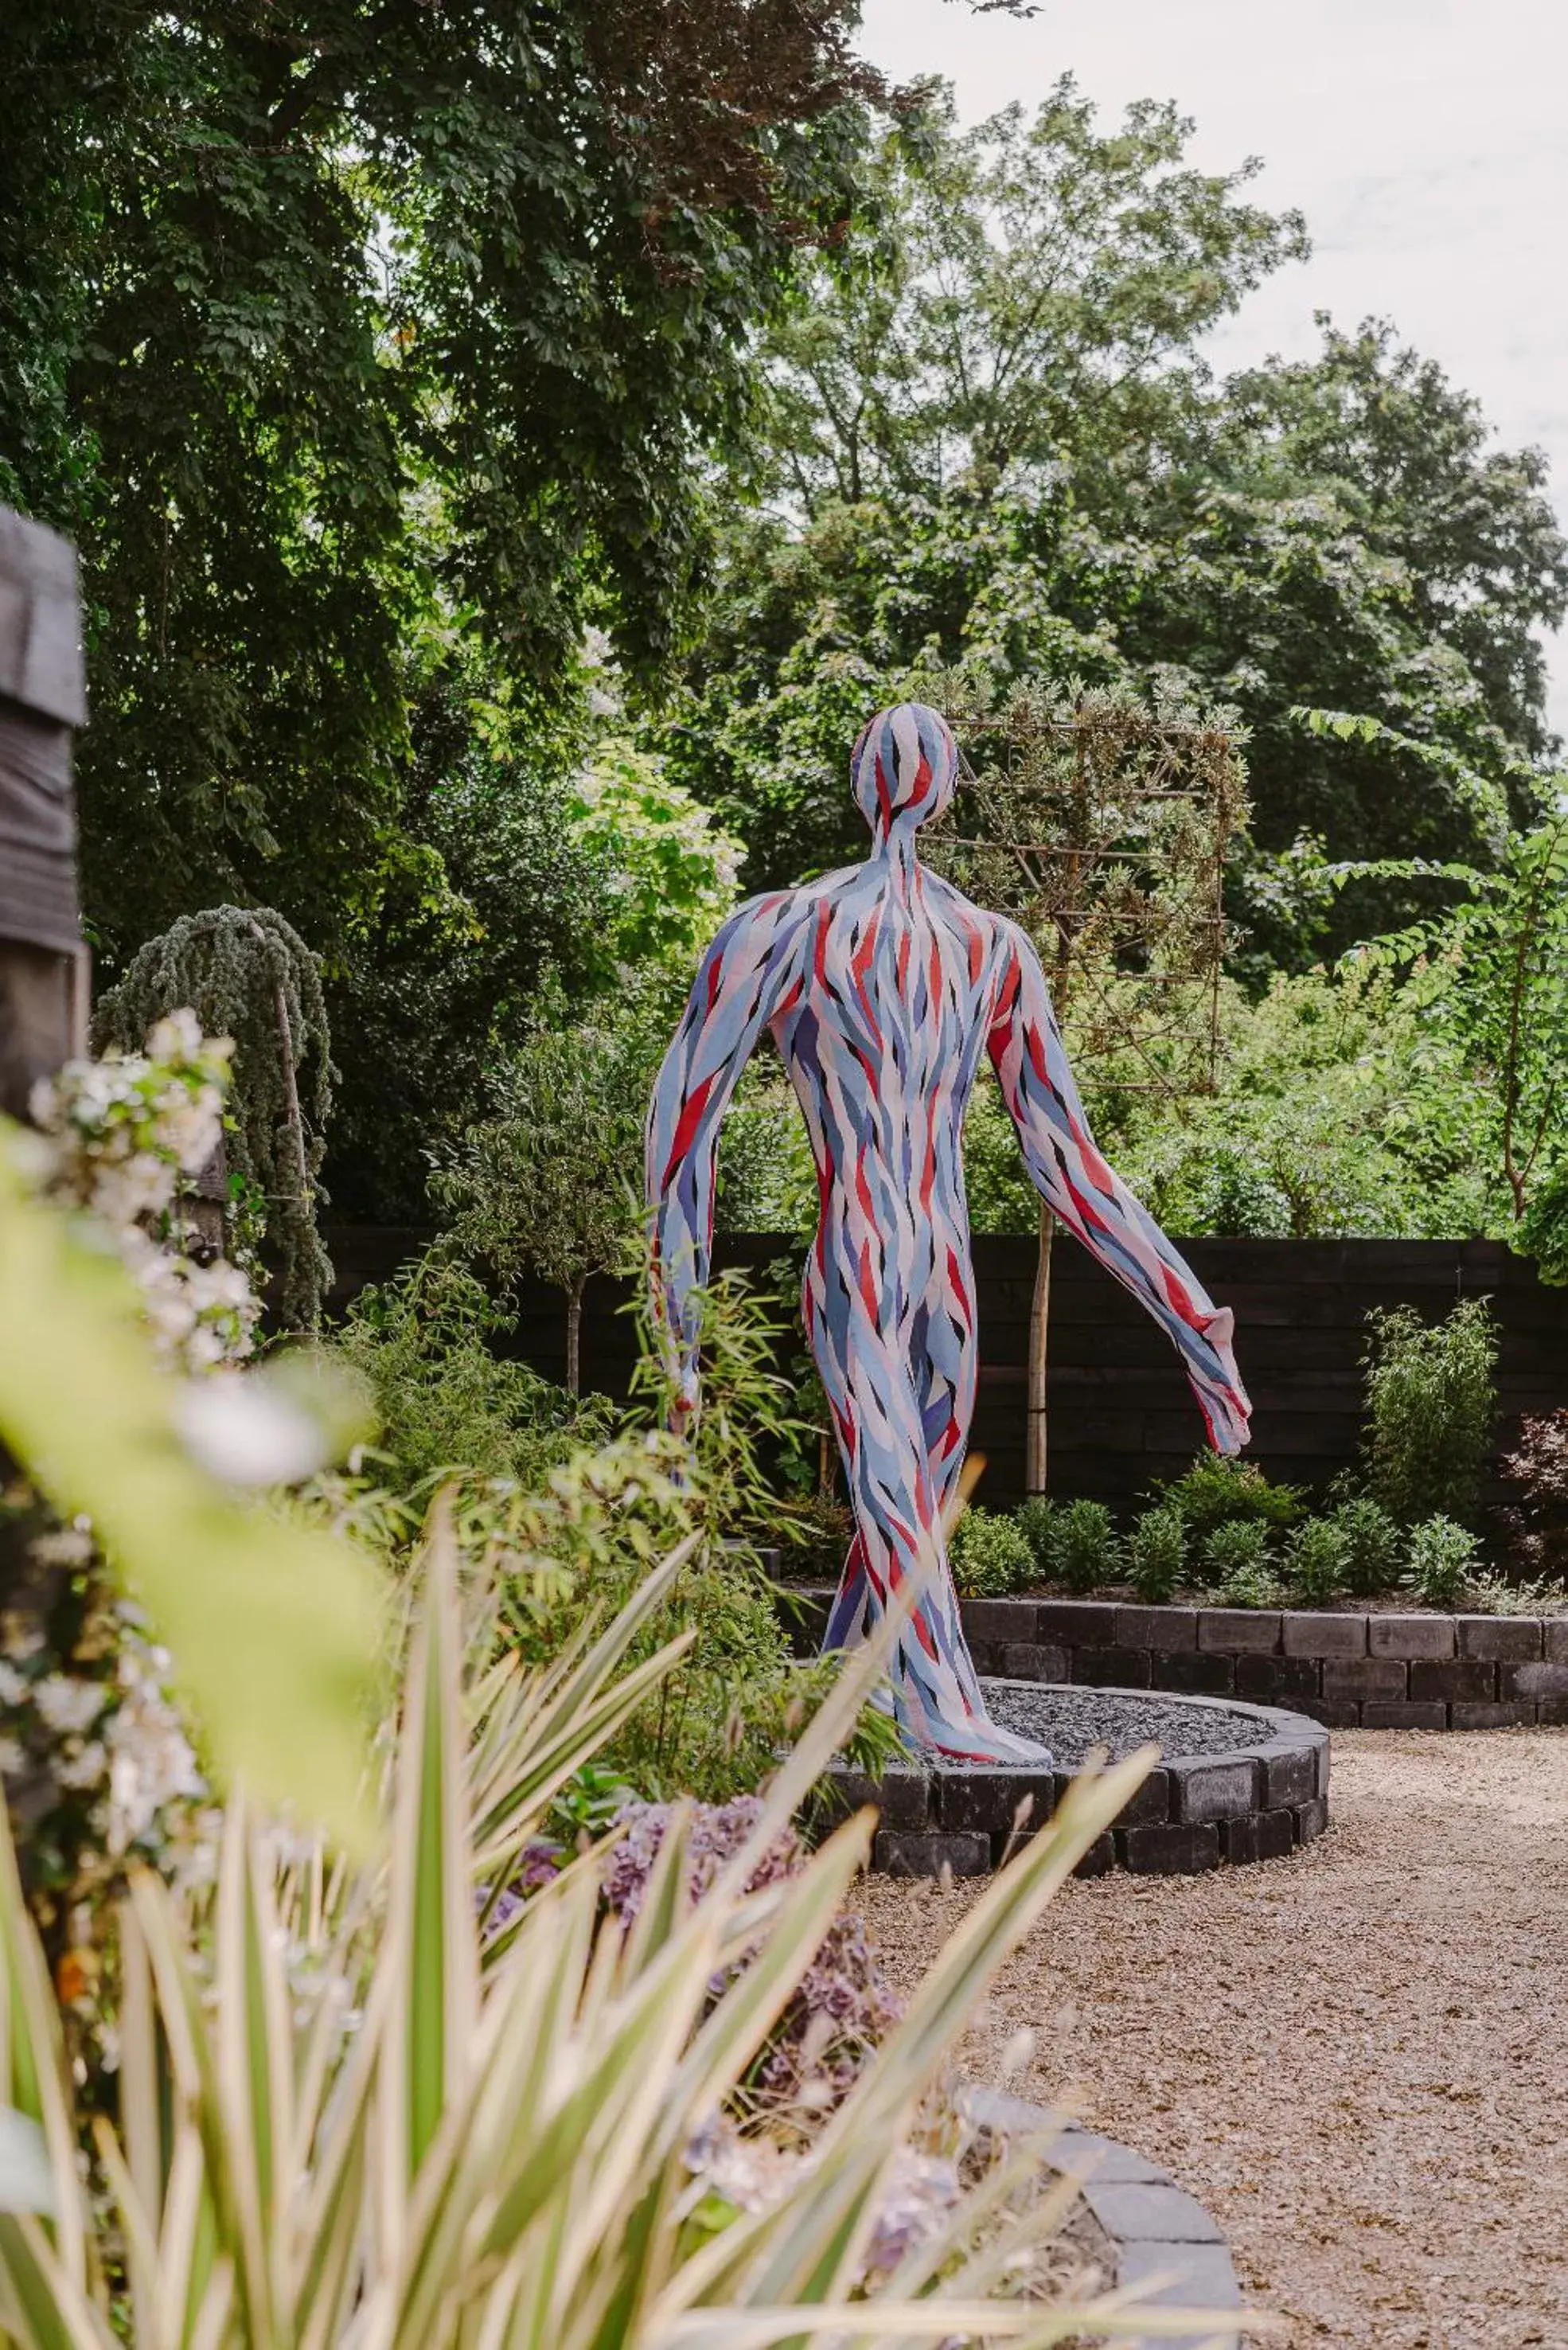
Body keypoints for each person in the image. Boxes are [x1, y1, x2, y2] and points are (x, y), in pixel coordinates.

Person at [646, 702, 1251, 1762]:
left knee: (908, 1496)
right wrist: (1187, 1314)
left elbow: (678, 1131)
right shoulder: (989, 947)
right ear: (946, 785)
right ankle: (938, 1707)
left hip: (866, 1255)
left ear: (860, 781)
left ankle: (850, 1688)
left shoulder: (784, 927)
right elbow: (1069, 1164)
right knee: (901, 1492)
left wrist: (676, 1324)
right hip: (930, 1263)